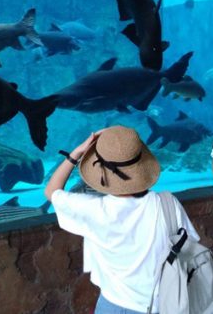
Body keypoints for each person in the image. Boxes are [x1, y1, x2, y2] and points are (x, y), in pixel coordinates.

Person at [45, 125, 200, 314]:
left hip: (113, 304)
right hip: (162, 304)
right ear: (142, 163)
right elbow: (190, 246)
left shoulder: (94, 209)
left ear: (100, 170)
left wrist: (76, 153)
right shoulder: (167, 202)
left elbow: (51, 191)